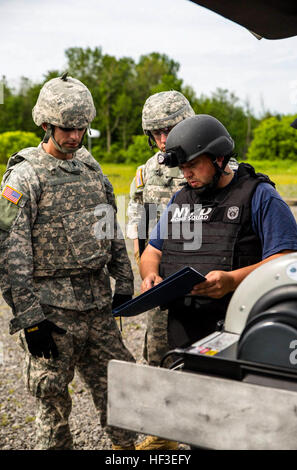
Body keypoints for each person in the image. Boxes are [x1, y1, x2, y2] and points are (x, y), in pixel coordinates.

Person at [0, 74, 137, 450]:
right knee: (53, 401)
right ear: (46, 124)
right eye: (66, 129)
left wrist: (123, 281)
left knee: (121, 391)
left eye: (81, 128)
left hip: (96, 305)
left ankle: (126, 452)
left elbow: (110, 224)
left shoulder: (90, 167)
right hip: (52, 312)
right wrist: (29, 319)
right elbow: (11, 252)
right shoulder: (24, 177)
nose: (75, 136)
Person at [140, 114, 297, 350]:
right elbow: (152, 251)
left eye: (193, 165)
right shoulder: (180, 199)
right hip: (182, 332)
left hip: (239, 329)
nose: (187, 174)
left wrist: (232, 281)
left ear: (219, 158)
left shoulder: (259, 195)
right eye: (182, 168)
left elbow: (287, 262)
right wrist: (150, 275)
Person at [127, 91, 195, 451]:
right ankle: (164, 433)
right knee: (157, 355)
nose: (165, 138)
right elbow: (140, 230)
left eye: (171, 128)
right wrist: (146, 273)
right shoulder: (146, 173)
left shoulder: (213, 163)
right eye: (157, 132)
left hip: (210, 280)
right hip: (163, 281)